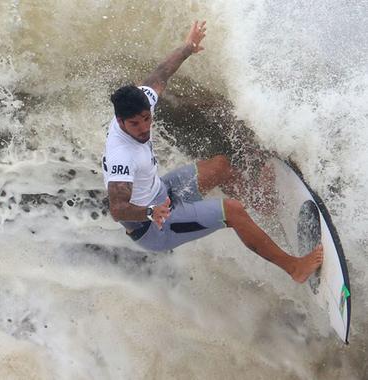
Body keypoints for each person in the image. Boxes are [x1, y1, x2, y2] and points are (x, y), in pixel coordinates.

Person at [102, 21, 323, 283]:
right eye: (134, 125)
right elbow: (118, 209)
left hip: (162, 191)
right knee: (232, 210)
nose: (143, 128)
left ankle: (264, 205)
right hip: (154, 226)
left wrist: (188, 47)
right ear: (119, 122)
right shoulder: (121, 157)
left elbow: (161, 74)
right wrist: (151, 213)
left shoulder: (141, 103)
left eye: (146, 119)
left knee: (220, 166)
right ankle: (293, 268)